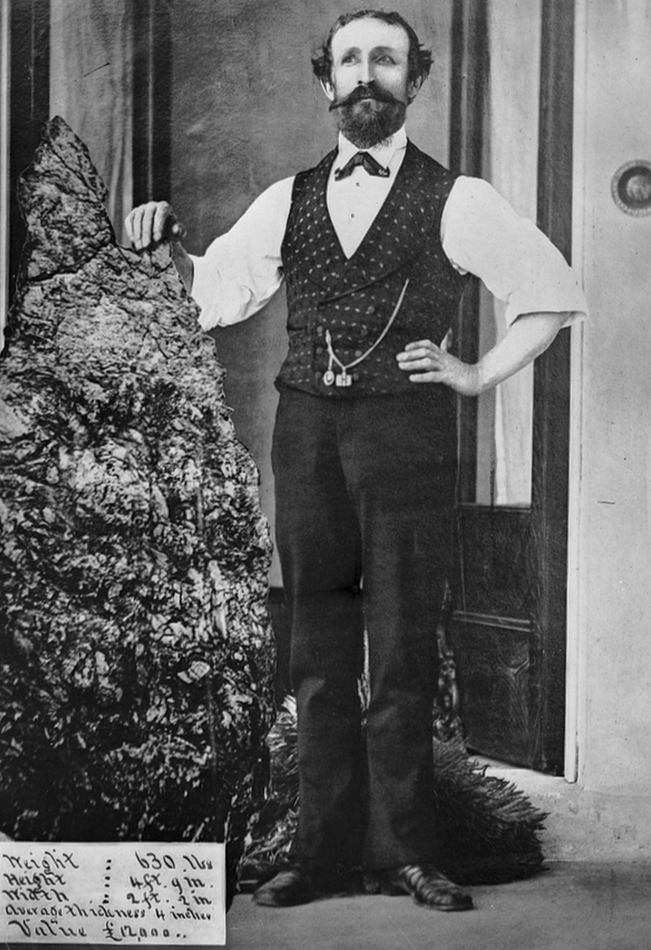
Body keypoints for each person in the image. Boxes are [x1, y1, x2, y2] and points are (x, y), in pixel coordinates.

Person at [126, 9, 586, 913]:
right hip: (305, 436)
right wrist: (157, 243)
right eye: (350, 60)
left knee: (405, 641)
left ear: (414, 81)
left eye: (386, 60)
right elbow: (212, 294)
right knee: (316, 650)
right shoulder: (286, 198)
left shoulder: (458, 198)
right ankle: (324, 850)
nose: (366, 75)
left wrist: (475, 373)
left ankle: (409, 852)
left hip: (407, 437)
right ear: (325, 83)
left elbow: (551, 294)